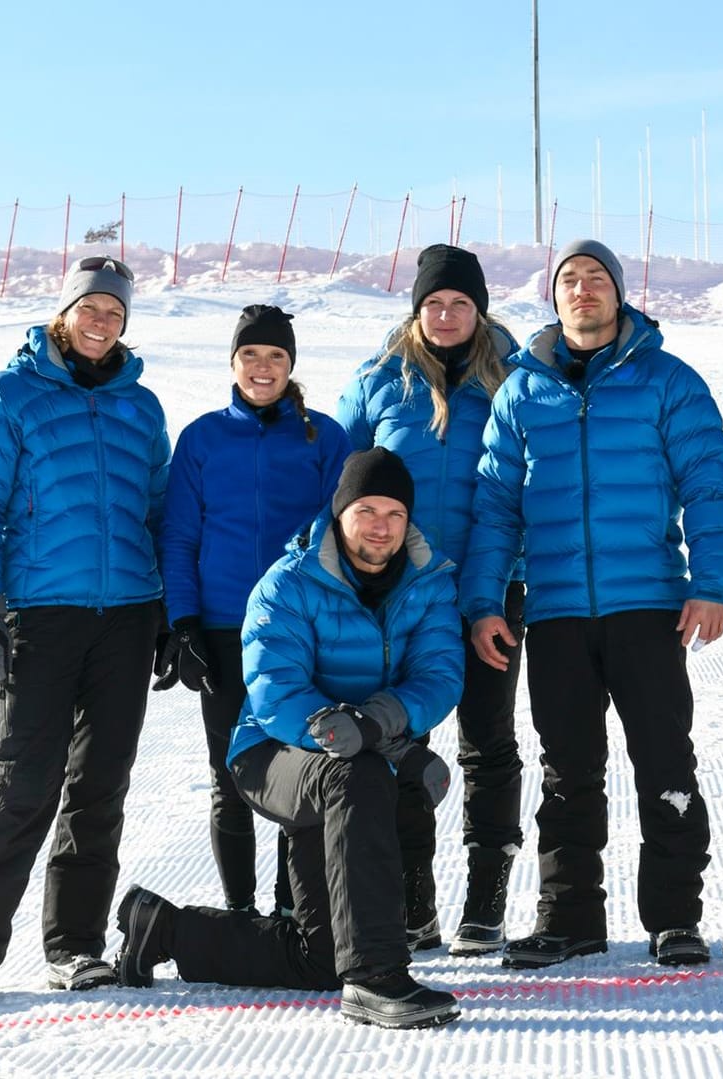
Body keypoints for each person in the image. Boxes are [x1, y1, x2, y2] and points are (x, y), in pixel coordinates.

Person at [113, 448, 465, 1030]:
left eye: (395, 514)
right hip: (271, 753)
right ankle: (376, 977)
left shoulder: (429, 581)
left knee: (319, 956)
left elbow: (439, 675)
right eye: (367, 510)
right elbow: (276, 691)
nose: (380, 526)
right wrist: (369, 739)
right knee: (357, 774)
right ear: (340, 513)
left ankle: (166, 929)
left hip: (359, 757)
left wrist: (377, 725)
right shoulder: (289, 583)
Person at [463, 239, 723, 970]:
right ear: (554, 300)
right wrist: (485, 601)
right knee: (568, 768)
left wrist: (711, 582)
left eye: (595, 279)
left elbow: (707, 480)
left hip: (646, 604)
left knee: (663, 759)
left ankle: (675, 916)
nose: (582, 291)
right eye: (569, 281)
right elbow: (494, 504)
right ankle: (569, 917)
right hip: (554, 611)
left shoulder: (665, 381)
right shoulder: (522, 391)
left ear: (620, 293)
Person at [0, 256, 170, 1014]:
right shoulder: (9, 394)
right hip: (42, 616)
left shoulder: (141, 406)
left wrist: (167, 611)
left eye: (115, 313)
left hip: (127, 615)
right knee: (25, 783)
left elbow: (159, 514)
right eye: (90, 308)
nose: (101, 323)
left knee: (100, 785)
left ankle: (75, 946)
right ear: (64, 312)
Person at [336, 244, 524, 956]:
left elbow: (519, 489)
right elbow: (344, 483)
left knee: (488, 742)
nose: (446, 316)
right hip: (396, 594)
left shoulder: (510, 378)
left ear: (480, 310)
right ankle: (415, 903)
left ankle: (485, 901)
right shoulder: (380, 380)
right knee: (397, 741)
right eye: (434, 303)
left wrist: (494, 592)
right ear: (417, 308)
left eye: (461, 304)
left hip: (492, 587)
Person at [157, 304, 350, 916]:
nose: (262, 367)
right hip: (220, 626)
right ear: (233, 362)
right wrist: (182, 623)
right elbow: (180, 535)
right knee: (231, 774)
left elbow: (337, 530)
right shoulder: (203, 438)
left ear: (291, 365)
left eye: (275, 356)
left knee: (300, 763)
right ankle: (240, 912)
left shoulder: (325, 436)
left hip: (298, 629)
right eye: (250, 355)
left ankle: (295, 910)